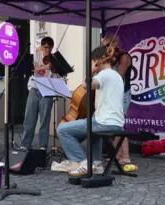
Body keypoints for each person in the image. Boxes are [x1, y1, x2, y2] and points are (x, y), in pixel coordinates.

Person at [56, 45, 125, 176]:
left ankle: (83, 162)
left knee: (62, 130)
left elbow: (87, 85)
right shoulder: (117, 76)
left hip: (104, 122)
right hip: (116, 122)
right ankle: (97, 164)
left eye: (92, 61)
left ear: (98, 60)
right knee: (93, 127)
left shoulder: (104, 74)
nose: (91, 64)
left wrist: (92, 71)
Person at [20, 37, 61, 150]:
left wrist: (55, 69)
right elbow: (31, 68)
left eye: (49, 47)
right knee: (29, 118)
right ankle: (25, 144)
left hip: (47, 90)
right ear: (42, 47)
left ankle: (43, 146)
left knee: (44, 120)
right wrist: (40, 65)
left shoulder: (54, 59)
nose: (47, 50)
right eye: (45, 47)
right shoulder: (35, 55)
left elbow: (58, 76)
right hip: (34, 87)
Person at [102, 34, 133, 165]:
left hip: (122, 95)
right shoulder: (110, 59)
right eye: (104, 46)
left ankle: (125, 155)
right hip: (113, 95)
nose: (105, 49)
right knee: (113, 125)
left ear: (115, 43)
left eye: (107, 45)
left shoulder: (124, 57)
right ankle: (117, 153)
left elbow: (119, 76)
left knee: (119, 125)